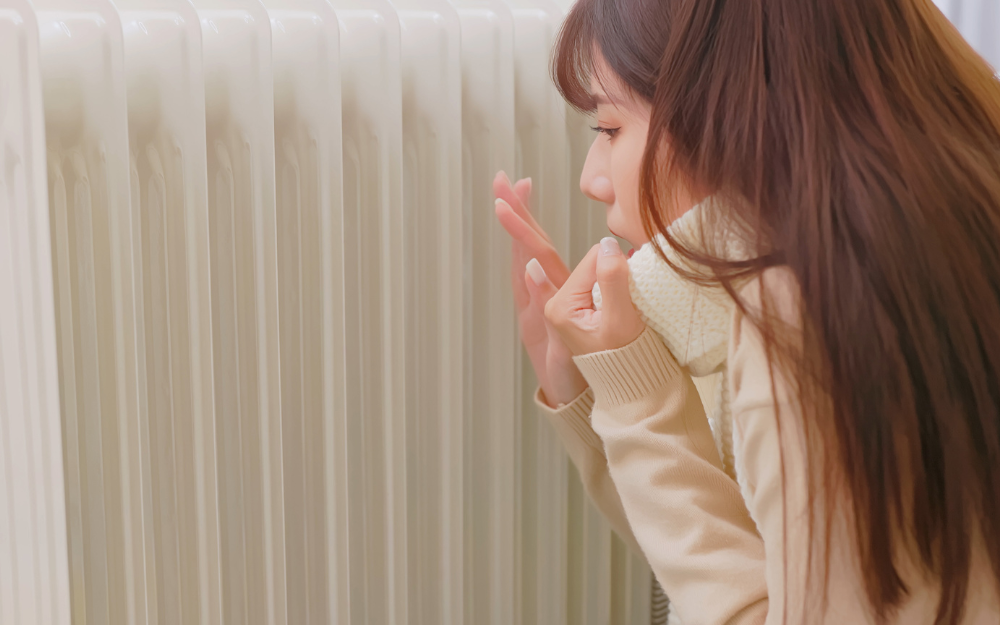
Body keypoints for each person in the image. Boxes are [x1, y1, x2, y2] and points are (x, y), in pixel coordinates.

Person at [494, 0, 1000, 623]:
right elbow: (746, 560)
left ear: (723, 116)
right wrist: (590, 386)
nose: (591, 179)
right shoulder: (940, 234)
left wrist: (640, 404)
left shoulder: (800, 324)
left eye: (608, 130)